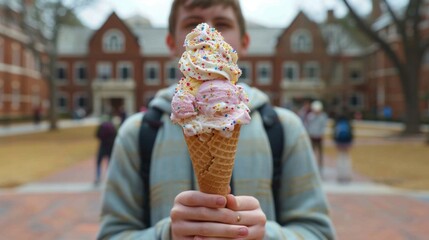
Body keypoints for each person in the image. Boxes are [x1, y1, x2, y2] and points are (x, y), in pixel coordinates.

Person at [97, 0, 335, 239]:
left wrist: (266, 235)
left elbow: (319, 232)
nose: (207, 33)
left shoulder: (286, 129)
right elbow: (111, 233)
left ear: (244, 43)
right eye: (192, 23)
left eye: (222, 23)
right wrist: (166, 234)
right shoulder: (136, 133)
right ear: (171, 44)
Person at [306, 100, 329, 171]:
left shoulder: (323, 116)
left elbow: (323, 126)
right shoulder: (310, 116)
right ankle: (311, 165)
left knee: (320, 153)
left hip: (319, 137)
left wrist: (322, 134)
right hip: (312, 137)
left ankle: (320, 166)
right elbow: (308, 126)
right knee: (311, 152)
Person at [333, 107, 354, 182]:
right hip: (347, 141)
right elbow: (351, 132)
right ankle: (347, 175)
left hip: (339, 141)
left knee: (340, 157)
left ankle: (340, 175)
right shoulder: (348, 121)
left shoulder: (337, 120)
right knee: (346, 158)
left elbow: (334, 132)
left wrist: (335, 140)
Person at [94, 115, 116, 185]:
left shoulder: (102, 126)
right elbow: (116, 135)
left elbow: (97, 135)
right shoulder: (112, 127)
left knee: (98, 163)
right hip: (110, 147)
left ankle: (98, 177)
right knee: (110, 163)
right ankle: (110, 178)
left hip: (103, 146)